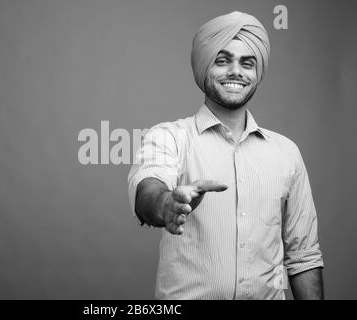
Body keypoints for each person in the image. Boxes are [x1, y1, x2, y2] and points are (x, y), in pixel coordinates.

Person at [127, 11, 324, 300]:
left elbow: (303, 256)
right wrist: (166, 204)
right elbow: (148, 189)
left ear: (257, 73)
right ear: (204, 65)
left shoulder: (287, 153)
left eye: (247, 63)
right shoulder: (169, 137)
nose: (236, 71)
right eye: (223, 60)